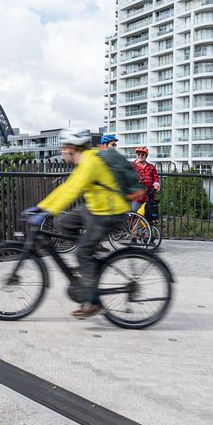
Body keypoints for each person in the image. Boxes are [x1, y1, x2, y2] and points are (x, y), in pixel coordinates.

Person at [23, 128, 130, 318]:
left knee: (82, 252)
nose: (62, 151)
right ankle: (90, 257)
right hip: (95, 207)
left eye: (63, 147)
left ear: (71, 148)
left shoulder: (89, 162)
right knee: (62, 223)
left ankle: (94, 301)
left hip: (110, 212)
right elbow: (67, 187)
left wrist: (45, 210)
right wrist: (41, 208)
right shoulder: (83, 161)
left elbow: (73, 191)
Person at [131, 146, 161, 223]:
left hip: (149, 195)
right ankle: (132, 233)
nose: (140, 156)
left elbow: (156, 178)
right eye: (138, 154)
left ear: (146, 156)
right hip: (136, 195)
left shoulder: (151, 167)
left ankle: (146, 234)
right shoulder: (131, 166)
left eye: (142, 154)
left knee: (148, 216)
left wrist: (156, 185)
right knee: (134, 214)